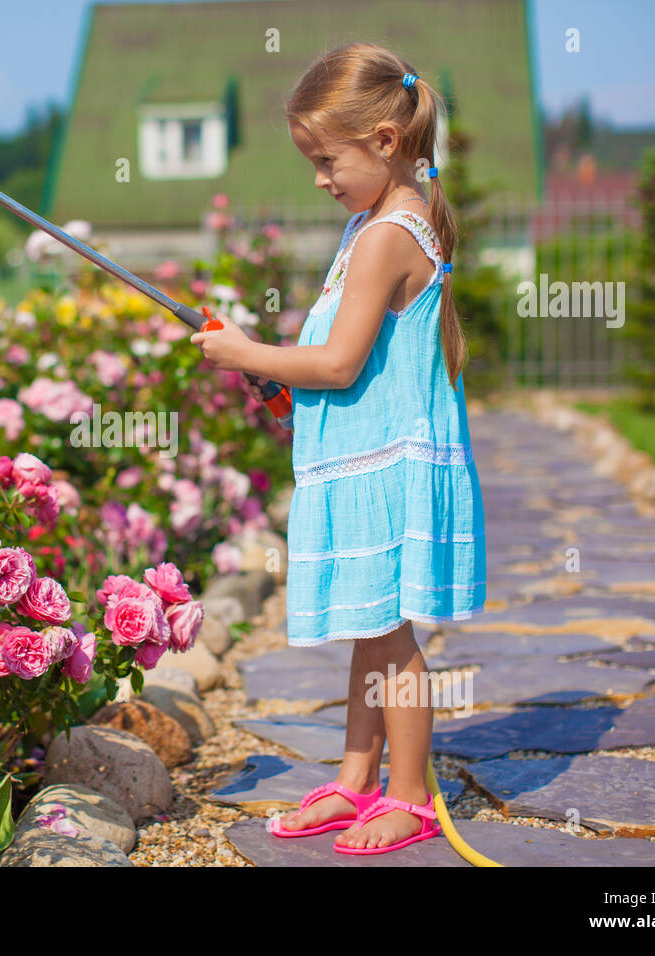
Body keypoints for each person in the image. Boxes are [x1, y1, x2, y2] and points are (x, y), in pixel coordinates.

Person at [191, 42, 487, 855]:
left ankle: (410, 795)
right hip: (366, 458)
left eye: (327, 160)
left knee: (391, 638)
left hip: (386, 470)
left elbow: (340, 362)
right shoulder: (377, 219)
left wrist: (251, 354)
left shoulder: (390, 232)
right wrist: (286, 382)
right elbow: (347, 366)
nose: (320, 178)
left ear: (387, 142)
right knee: (371, 626)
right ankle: (357, 784)